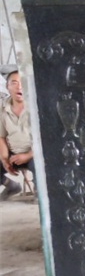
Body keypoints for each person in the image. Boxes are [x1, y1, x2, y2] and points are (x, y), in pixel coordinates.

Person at [0, 70, 32, 199]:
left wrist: (28, 155)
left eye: (23, 83)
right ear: (7, 86)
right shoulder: (2, 107)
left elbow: (47, 139)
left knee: (44, 167)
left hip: (36, 154)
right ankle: (10, 185)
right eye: (14, 83)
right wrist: (4, 159)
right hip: (12, 153)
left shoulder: (37, 105)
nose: (19, 87)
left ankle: (41, 192)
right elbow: (1, 136)